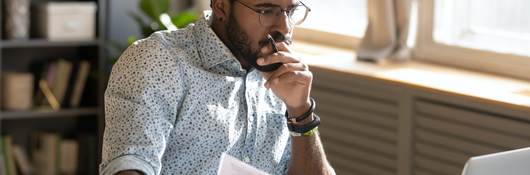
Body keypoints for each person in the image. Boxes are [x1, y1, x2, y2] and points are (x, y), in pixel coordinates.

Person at [99, 0, 335, 174]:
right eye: (265, 10)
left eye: (291, 11)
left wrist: (300, 112)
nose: (284, 27)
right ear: (221, 5)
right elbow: (130, 164)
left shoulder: (285, 78)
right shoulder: (158, 60)